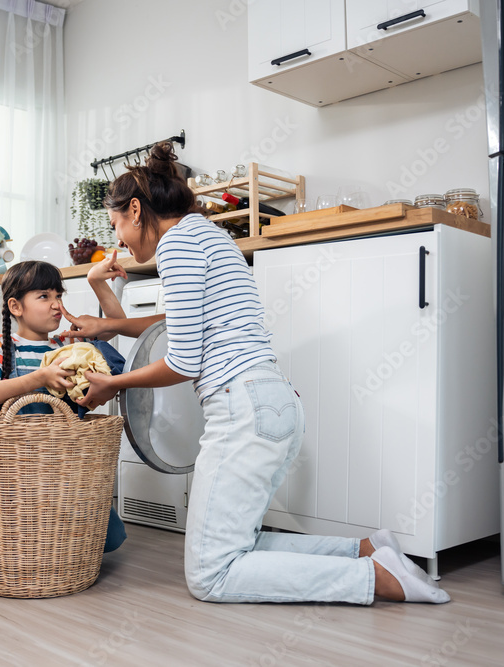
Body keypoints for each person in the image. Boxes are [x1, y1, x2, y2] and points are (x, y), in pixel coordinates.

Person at [57, 142, 450, 604]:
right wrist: (110, 324)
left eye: (117, 225)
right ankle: (366, 550)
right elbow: (187, 323)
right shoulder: (206, 234)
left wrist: (112, 386)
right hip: (275, 403)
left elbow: (183, 361)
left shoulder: (177, 245)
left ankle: (375, 580)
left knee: (210, 575)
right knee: (235, 544)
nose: (119, 240)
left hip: (241, 411)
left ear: (137, 210)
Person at [0, 258, 128, 552]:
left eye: (58, 296)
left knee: (109, 538)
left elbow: (115, 324)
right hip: (15, 463)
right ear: (16, 307)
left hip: (63, 459)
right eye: (44, 296)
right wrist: (40, 376)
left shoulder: (66, 343)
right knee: (25, 530)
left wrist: (97, 281)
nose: (56, 305)